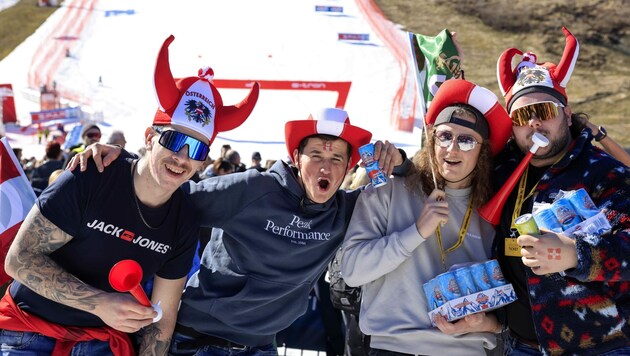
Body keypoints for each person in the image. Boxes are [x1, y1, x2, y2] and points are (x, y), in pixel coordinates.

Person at [68, 107, 407, 355]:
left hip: (260, 347)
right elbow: (168, 194)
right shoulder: (253, 188)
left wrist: (401, 160)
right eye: (315, 154)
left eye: (336, 160)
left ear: (349, 166)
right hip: (199, 342)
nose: (324, 166)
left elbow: (417, 190)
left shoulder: (346, 212)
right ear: (295, 157)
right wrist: (125, 164)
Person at [0, 34, 259, 355]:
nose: (182, 157)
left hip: (100, 344)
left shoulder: (183, 219)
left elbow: (162, 321)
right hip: (30, 333)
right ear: (150, 136)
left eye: (196, 148)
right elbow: (19, 259)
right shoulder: (93, 174)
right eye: (175, 141)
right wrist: (100, 303)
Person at [340, 79, 512, 355]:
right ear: (431, 139)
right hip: (394, 348)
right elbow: (352, 271)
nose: (452, 148)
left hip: (465, 350)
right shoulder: (387, 190)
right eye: (444, 136)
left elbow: (513, 296)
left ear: (483, 151)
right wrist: (417, 231)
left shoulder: (497, 208)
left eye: (466, 140)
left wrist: (489, 323)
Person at [494, 27, 630, 355]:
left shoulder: (604, 171)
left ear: (566, 115)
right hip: (520, 345)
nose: (534, 124)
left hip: (601, 347)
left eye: (544, 111)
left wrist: (574, 254)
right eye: (522, 116)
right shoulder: (501, 172)